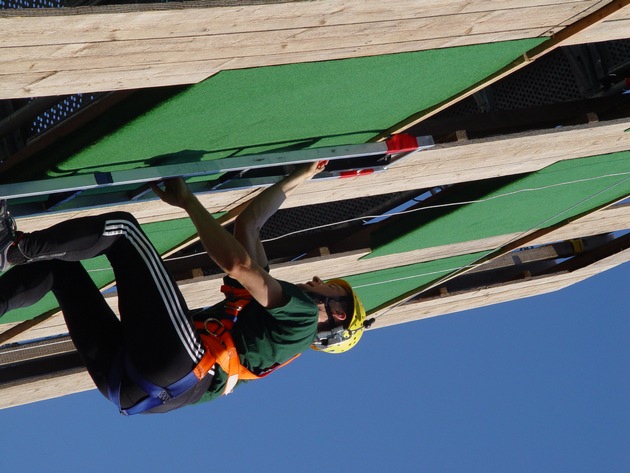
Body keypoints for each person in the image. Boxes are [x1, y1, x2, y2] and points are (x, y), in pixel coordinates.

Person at [0, 161, 367, 414]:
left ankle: (13, 247)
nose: (320, 281)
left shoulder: (302, 316)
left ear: (336, 314)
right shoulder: (268, 321)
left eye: (334, 289)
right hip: (131, 391)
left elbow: (238, 265)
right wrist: (298, 178)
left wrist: (189, 202)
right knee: (58, 269)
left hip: (179, 365)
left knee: (124, 232)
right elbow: (249, 225)